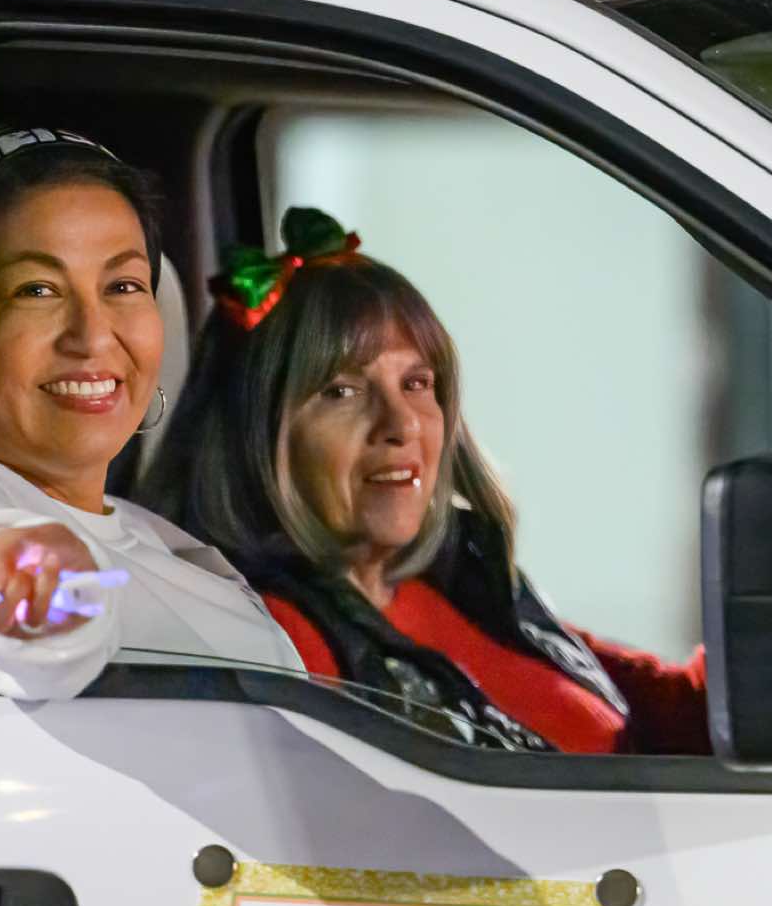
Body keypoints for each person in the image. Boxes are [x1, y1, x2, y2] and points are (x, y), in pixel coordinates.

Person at [139, 207, 707, 753]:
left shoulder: (461, 578)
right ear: (253, 434)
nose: (403, 424)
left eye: (416, 383)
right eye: (342, 391)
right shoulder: (274, 642)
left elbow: (681, 712)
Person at [0, 126, 301, 699]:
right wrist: (45, 600)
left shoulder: (140, 528)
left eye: (122, 285)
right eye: (37, 290)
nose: (92, 337)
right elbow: (11, 601)